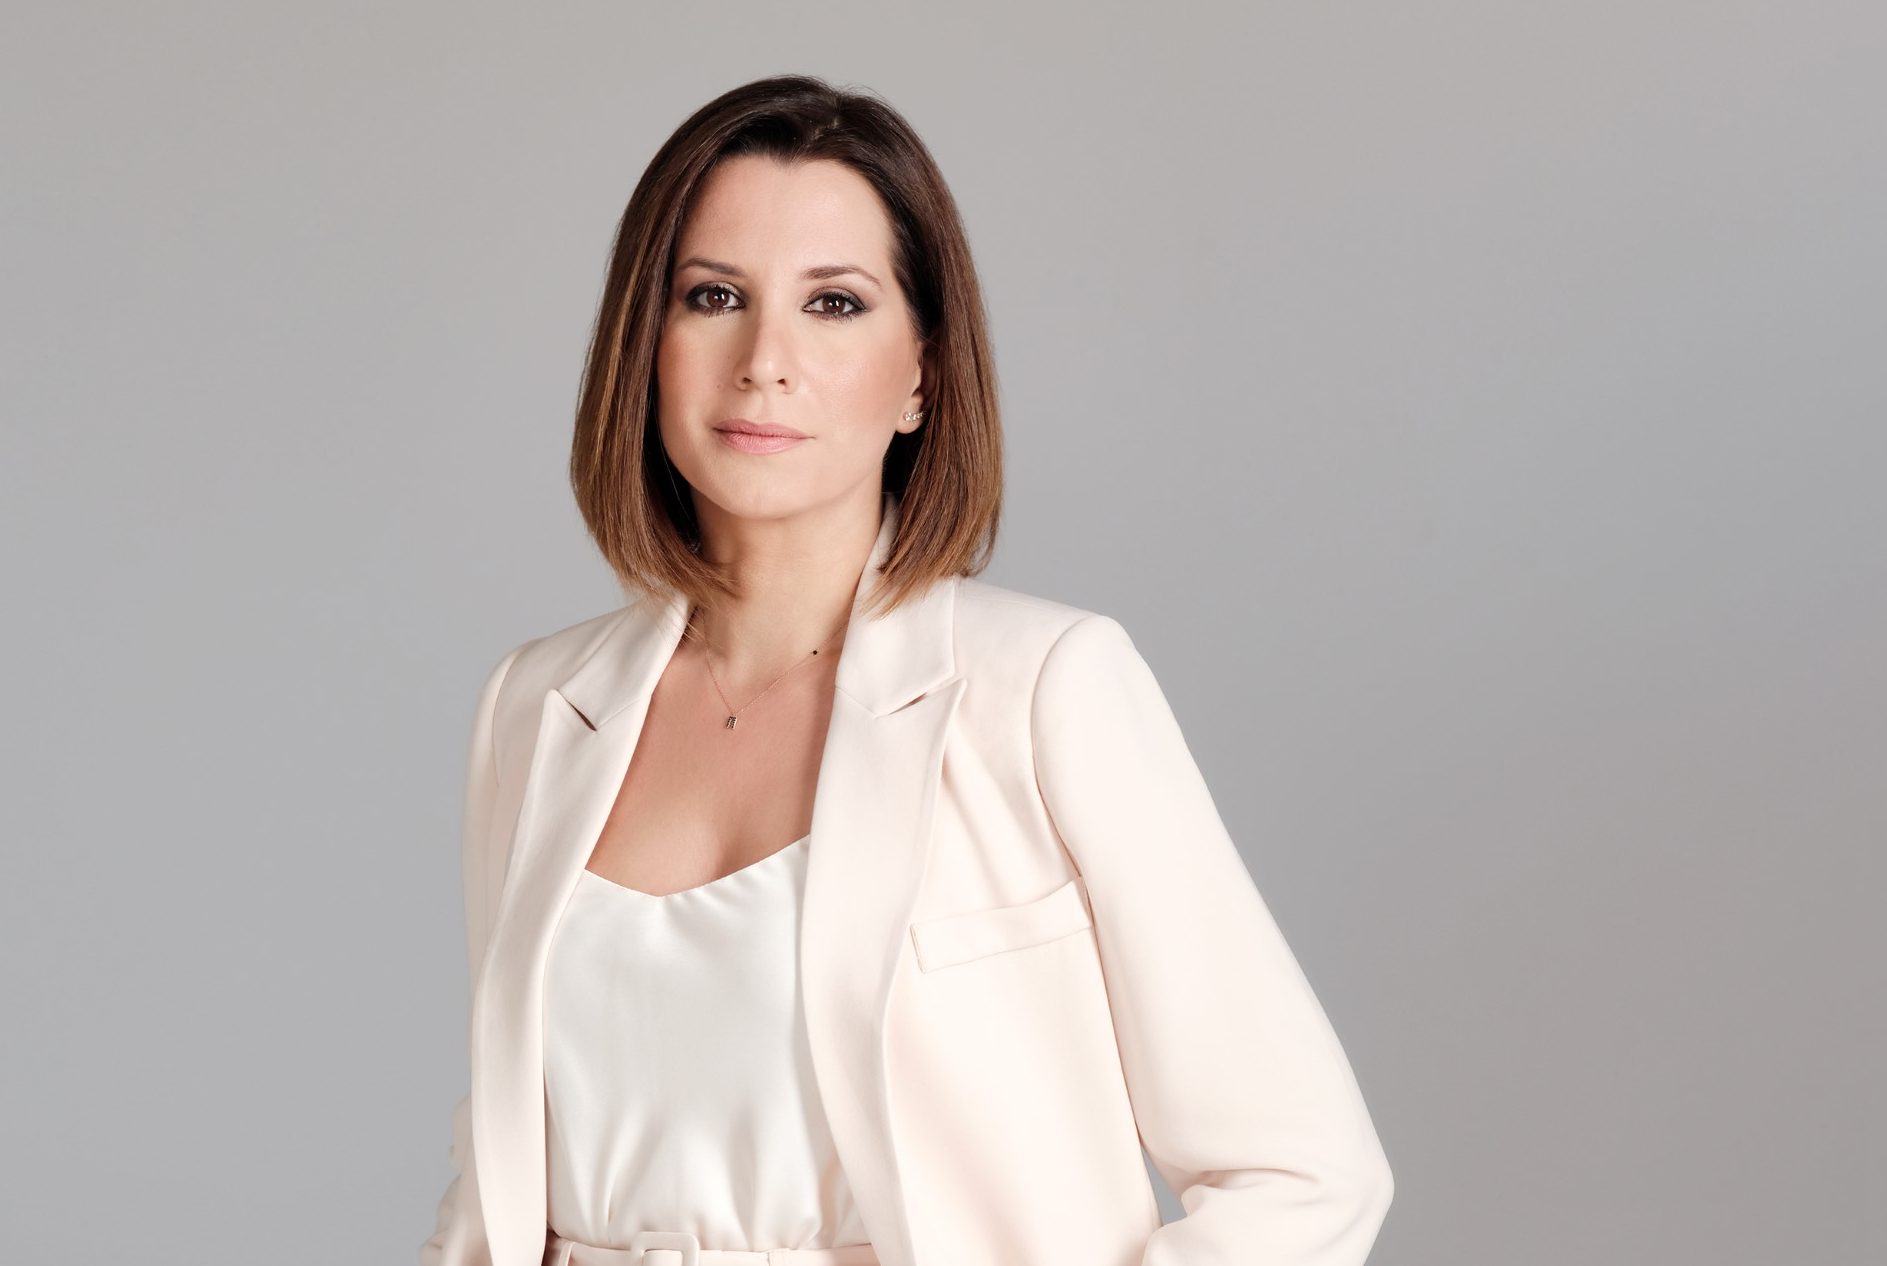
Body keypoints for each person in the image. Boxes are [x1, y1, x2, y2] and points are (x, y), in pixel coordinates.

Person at [420, 74, 1393, 1266]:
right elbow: (497, 1175)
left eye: (833, 303)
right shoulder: (534, 709)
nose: (764, 360)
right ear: (646, 344)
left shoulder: (1044, 689)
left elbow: (1306, 1177)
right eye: (714, 296)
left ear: (921, 375)